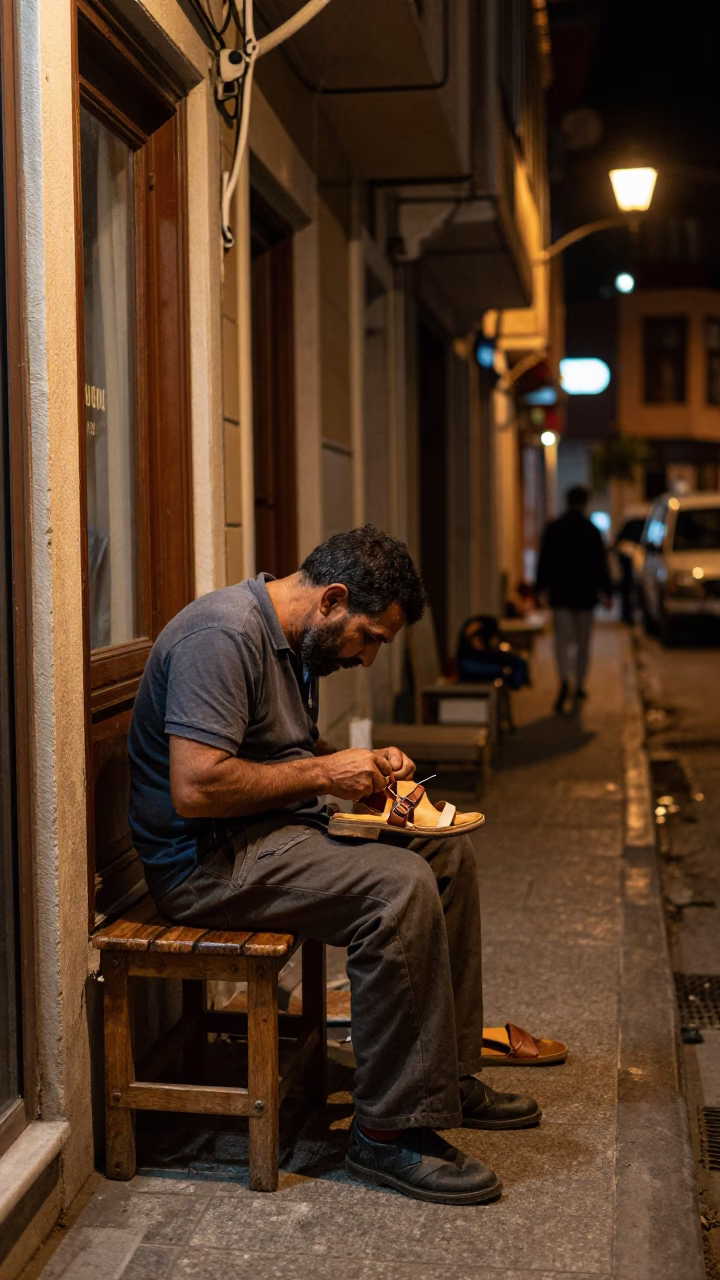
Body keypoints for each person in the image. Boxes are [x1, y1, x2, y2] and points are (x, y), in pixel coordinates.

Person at [128, 525, 540, 1205]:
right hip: (207, 864)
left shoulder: (292, 645)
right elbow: (196, 787)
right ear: (333, 599)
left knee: (445, 854)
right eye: (371, 636)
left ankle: (447, 1078)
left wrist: (365, 770)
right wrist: (326, 770)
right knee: (396, 887)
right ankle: (388, 1135)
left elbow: (280, 751)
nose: (371, 657)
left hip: (270, 834)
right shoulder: (224, 636)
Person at [536, 486, 612, 714]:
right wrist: (606, 592)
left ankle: (564, 679)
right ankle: (579, 683)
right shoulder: (591, 530)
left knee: (562, 642)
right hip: (585, 595)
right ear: (585, 502)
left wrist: (541, 589)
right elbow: (601, 564)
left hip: (561, 595)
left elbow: (545, 560)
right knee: (583, 643)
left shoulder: (555, 528)